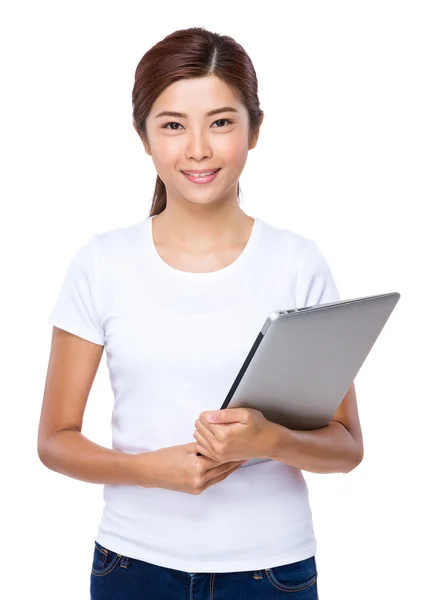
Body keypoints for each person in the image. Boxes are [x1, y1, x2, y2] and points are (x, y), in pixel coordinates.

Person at [38, 26, 364, 600]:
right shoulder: (101, 264)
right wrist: (150, 470)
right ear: (143, 137)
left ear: (254, 129)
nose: (197, 150)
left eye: (220, 122)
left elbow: (346, 448)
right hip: (132, 565)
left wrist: (268, 440)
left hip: (273, 574)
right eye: (172, 125)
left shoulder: (297, 265)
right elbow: (55, 440)